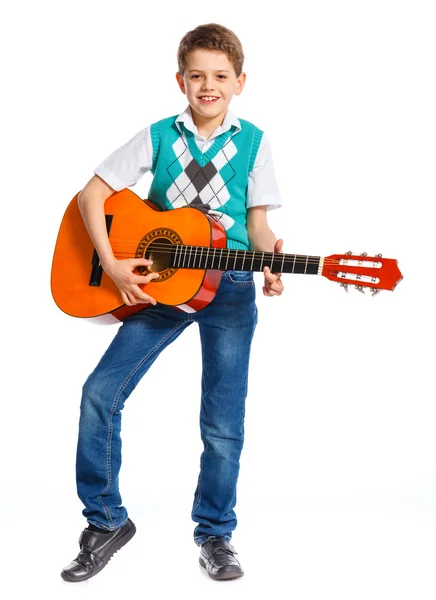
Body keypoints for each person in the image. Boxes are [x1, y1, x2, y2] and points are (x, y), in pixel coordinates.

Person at [60, 22, 284, 583]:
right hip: (160, 283)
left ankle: (215, 534)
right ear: (180, 80)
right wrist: (111, 263)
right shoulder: (160, 135)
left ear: (240, 82)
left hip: (228, 288)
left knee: (222, 422)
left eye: (221, 76)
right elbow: (93, 194)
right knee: (99, 393)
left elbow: (257, 226)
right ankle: (106, 520)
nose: (208, 85)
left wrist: (273, 261)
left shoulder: (255, 142)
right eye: (197, 75)